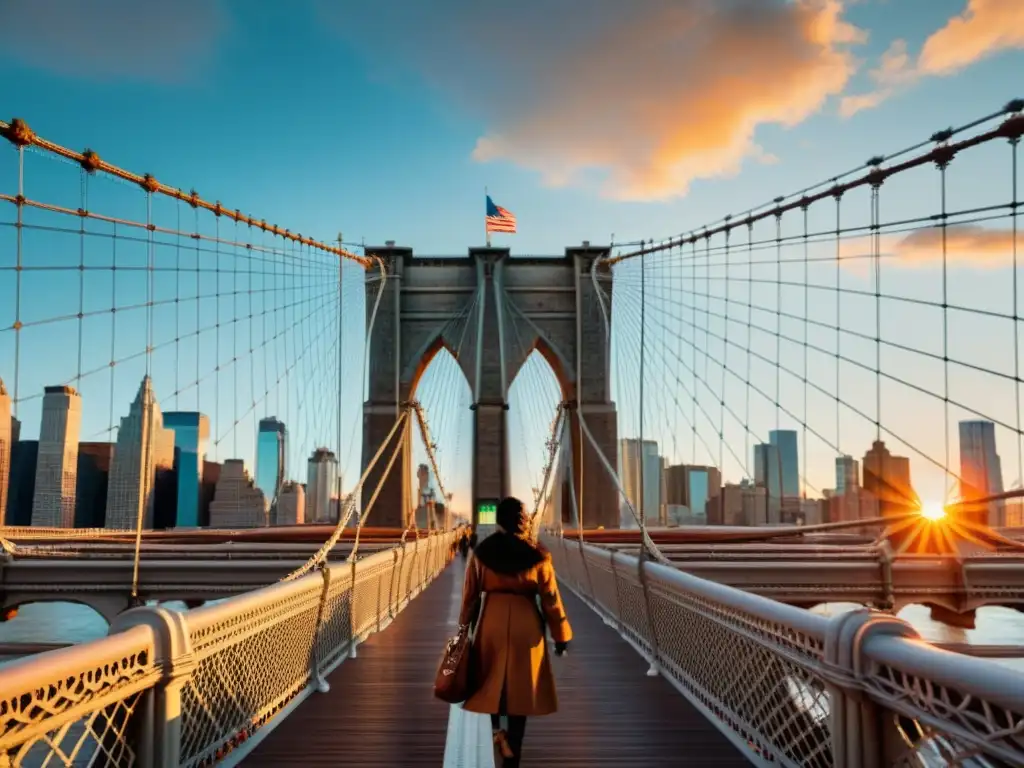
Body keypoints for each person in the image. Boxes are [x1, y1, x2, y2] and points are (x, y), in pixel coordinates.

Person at [459, 497, 572, 767]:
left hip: (492, 623)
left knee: (490, 685)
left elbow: (470, 597)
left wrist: (464, 629)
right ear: (524, 520)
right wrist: (561, 636)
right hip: (526, 624)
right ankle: (514, 754)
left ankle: (497, 730)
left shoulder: (482, 552)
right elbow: (551, 600)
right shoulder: (539, 553)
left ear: (498, 519)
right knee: (521, 693)